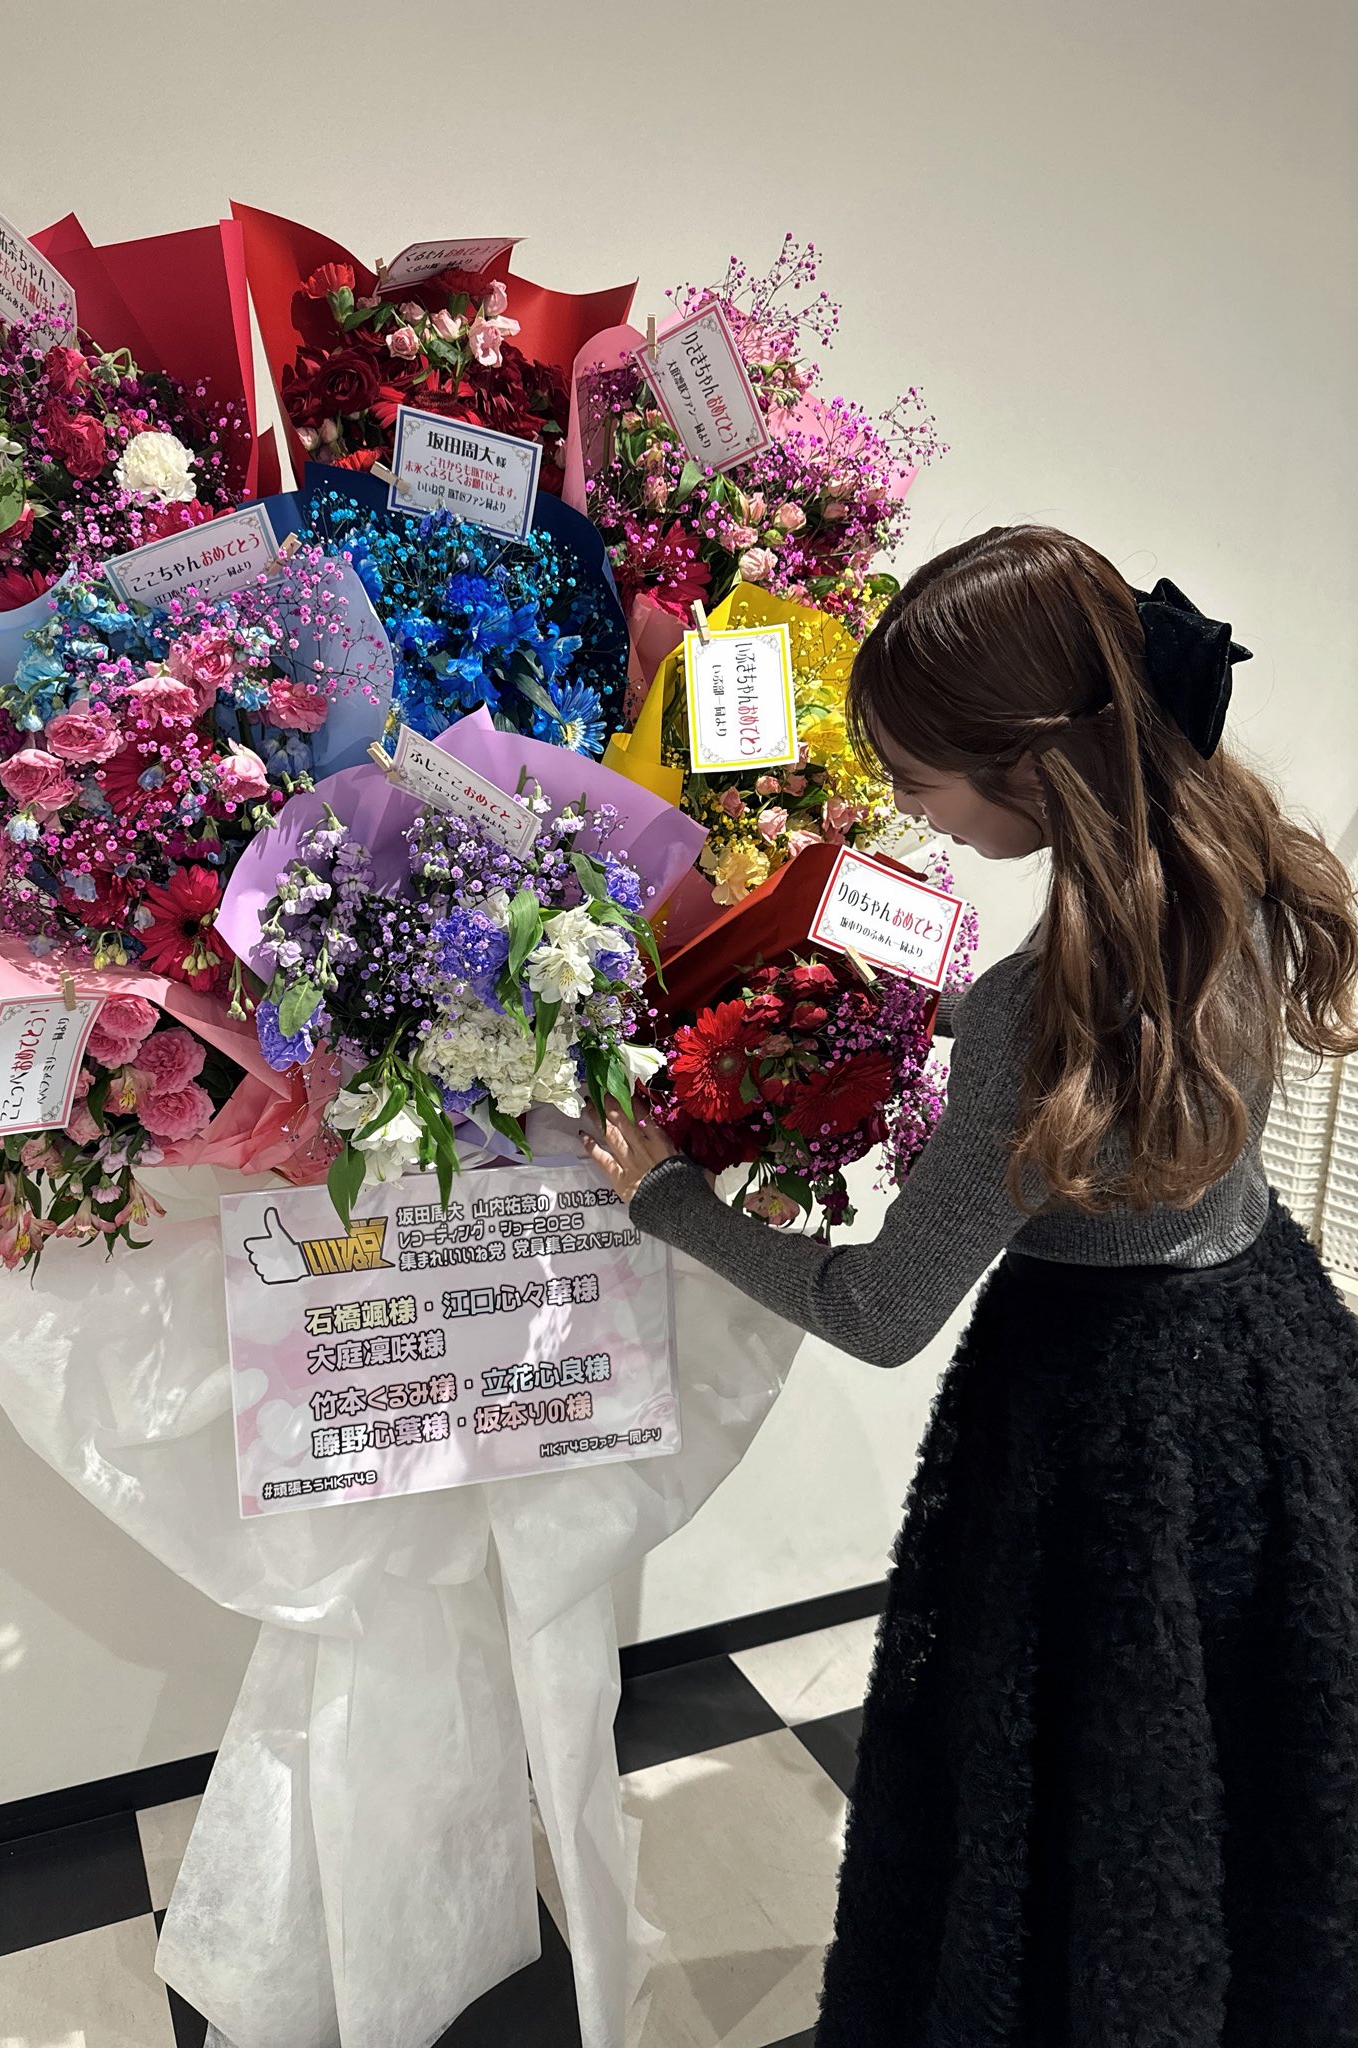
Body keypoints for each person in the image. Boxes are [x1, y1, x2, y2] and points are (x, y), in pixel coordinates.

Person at [581, 525, 1358, 2047]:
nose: (908, 809)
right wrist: (933, 1023)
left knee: (1080, 1784)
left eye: (921, 781)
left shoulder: (1039, 1008)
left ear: (1029, 769)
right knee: (1226, 1758)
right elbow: (1111, 1087)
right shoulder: (1236, 869)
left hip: (1100, 1431)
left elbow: (879, 1313)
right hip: (1267, 1364)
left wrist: (664, 1198)